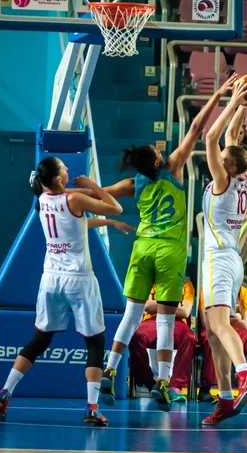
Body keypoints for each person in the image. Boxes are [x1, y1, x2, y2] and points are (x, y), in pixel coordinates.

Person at [98, 75, 239, 409]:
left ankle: (109, 369)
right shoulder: (173, 167)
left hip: (142, 247)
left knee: (131, 315)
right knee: (165, 318)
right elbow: (195, 129)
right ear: (158, 161)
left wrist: (67, 193)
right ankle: (163, 381)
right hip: (169, 250)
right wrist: (217, 93)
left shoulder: (135, 182)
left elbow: (101, 194)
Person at [0, 157, 126, 426]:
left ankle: (4, 395)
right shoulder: (73, 201)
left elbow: (75, 225)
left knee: (40, 340)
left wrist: (106, 224)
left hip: (51, 279)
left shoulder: (43, 200)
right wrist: (93, 185)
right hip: (79, 279)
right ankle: (91, 408)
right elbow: (116, 208)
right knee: (95, 343)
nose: (68, 169)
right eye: (64, 168)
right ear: (58, 179)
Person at [200, 81, 247, 426]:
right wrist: (241, 105)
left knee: (221, 326)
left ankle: (244, 373)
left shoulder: (223, 183)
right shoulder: (241, 177)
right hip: (231, 261)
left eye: (222, 160)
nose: (218, 157)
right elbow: (231, 142)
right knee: (212, 332)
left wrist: (232, 102)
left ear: (227, 167)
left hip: (219, 258)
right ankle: (225, 399)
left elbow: (212, 138)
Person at [198, 286, 247, 405]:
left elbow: (245, 324)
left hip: (236, 329)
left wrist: (227, 319)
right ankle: (206, 387)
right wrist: (234, 318)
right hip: (214, 328)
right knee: (211, 339)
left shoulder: (243, 292)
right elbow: (206, 322)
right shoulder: (206, 290)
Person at [128, 280, 196, 403]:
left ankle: (176, 387)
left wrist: (157, 306)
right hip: (152, 320)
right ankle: (149, 382)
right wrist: (173, 307)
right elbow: (147, 306)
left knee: (189, 337)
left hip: (178, 321)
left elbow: (185, 312)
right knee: (136, 336)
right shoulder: (151, 283)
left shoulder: (186, 285)